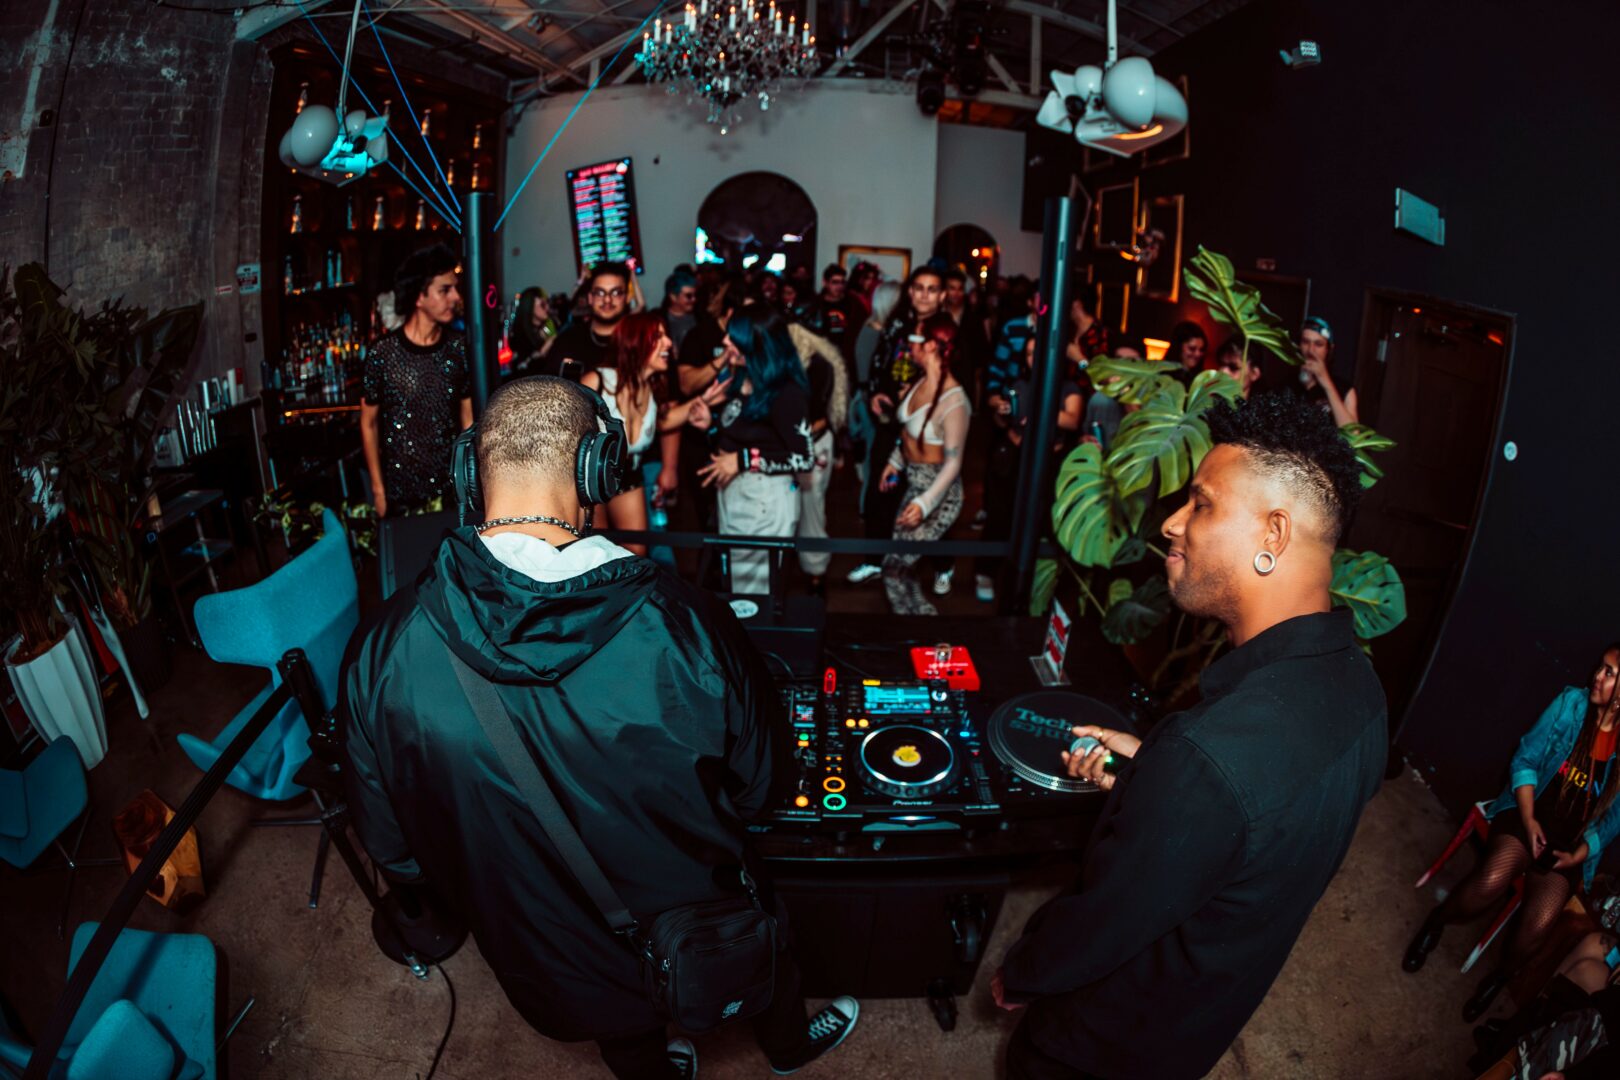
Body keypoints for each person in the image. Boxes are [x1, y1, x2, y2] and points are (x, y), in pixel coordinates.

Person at [341, 376, 860, 1080]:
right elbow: (761, 788)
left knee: (623, 1033)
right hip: (699, 921)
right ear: (597, 469)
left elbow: (395, 849)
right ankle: (790, 1049)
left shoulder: (383, 648)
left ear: (469, 470)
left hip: (551, 958)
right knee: (766, 965)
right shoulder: (687, 625)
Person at [993, 392, 1387, 1080]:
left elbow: (1106, 918)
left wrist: (1024, 970)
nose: (1172, 522)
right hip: (1189, 1037)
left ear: (1273, 535)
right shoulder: (1363, 693)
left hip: (1096, 1049)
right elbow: (1262, 830)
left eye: (1201, 504)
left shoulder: (1206, 760)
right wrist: (1154, 774)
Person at [1403, 644, 1620, 1019]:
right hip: (1526, 815)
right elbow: (1525, 759)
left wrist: (1578, 854)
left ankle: (1500, 978)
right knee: (1491, 880)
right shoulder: (1571, 705)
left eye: (1610, 673)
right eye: (1602, 667)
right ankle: (1436, 921)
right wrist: (1530, 819)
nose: (1597, 676)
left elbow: (1613, 819)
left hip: (1568, 846)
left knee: (1538, 925)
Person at [686, 306, 815, 595]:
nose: (725, 341)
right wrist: (711, 425)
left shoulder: (786, 393)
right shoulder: (741, 379)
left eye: (734, 338)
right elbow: (746, 434)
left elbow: (804, 458)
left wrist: (744, 460)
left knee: (755, 595)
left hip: (765, 502)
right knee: (737, 589)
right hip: (735, 498)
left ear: (758, 344)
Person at [581, 312, 724, 556]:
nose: (668, 343)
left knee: (637, 551)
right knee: (596, 550)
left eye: (666, 336)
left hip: (629, 475)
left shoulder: (653, 387)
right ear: (635, 342)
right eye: (658, 337)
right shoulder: (598, 381)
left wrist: (702, 401)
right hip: (592, 478)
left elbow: (665, 421)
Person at [847, 267, 944, 587]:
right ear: (910, 292)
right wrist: (876, 392)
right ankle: (874, 559)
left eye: (931, 289)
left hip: (928, 428)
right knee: (881, 489)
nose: (924, 295)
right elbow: (880, 362)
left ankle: (938, 565)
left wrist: (918, 397)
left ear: (941, 295)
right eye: (919, 288)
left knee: (925, 494)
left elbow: (953, 381)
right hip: (890, 423)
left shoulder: (946, 330)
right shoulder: (897, 324)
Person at [360, 243, 472, 518]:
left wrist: (471, 484)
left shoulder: (458, 349)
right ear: (419, 297)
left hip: (450, 493)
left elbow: (468, 422)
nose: (455, 297)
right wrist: (378, 491)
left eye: (455, 289)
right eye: (445, 290)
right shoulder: (382, 353)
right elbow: (368, 423)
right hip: (400, 496)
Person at [975, 334, 1084, 604]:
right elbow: (1002, 423)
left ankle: (1038, 581)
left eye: (1039, 351)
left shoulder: (1067, 387)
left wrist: (1039, 408)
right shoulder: (1019, 385)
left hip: (1049, 462)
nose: (1034, 358)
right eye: (1029, 353)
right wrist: (1001, 411)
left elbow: (1072, 421)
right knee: (1002, 515)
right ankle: (986, 573)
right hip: (1016, 457)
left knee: (1045, 520)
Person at [879, 313, 971, 616]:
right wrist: (894, 462)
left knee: (894, 566)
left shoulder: (955, 401)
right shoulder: (920, 382)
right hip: (914, 480)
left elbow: (953, 465)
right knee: (901, 565)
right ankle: (915, 620)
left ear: (931, 345)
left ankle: (919, 624)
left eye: (916, 337)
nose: (910, 343)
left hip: (939, 492)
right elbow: (908, 433)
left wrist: (924, 504)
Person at [787, 322, 848, 596]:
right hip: (806, 444)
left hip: (813, 444)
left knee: (811, 509)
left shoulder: (815, 366)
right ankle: (806, 569)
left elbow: (816, 415)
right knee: (796, 508)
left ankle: (815, 573)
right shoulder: (811, 361)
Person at [546, 262, 633, 375]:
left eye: (616, 293)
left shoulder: (640, 340)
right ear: (590, 298)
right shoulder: (567, 341)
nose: (607, 299)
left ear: (627, 297)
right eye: (600, 293)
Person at [1297, 315, 1360, 426]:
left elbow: (1353, 434)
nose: (1311, 350)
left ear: (1328, 350)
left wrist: (1326, 383)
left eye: (1318, 344)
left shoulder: (1345, 390)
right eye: (1306, 342)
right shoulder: (1286, 385)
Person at [808, 263, 865, 376]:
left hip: (846, 359)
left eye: (842, 282)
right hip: (822, 359)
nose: (839, 286)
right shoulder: (815, 305)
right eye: (835, 282)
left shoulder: (854, 304)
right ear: (825, 282)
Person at [507, 286, 558, 377]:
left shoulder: (548, 326)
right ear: (529, 305)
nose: (547, 307)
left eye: (547, 302)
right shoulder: (519, 336)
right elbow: (522, 369)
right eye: (543, 304)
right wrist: (543, 351)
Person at [1063, 290, 1110, 382]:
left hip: (1088, 390)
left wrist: (1079, 359)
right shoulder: (1070, 329)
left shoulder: (1100, 334)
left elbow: (1102, 377)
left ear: (1077, 305)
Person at [660, 267, 701, 352]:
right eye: (689, 296)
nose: (694, 299)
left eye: (695, 295)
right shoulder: (660, 320)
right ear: (673, 297)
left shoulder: (701, 317)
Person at [1166, 319, 1208, 387]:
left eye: (1201, 350)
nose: (1197, 354)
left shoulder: (1203, 378)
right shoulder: (1163, 375)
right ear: (1179, 347)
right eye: (1192, 349)